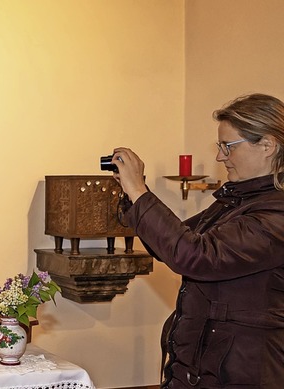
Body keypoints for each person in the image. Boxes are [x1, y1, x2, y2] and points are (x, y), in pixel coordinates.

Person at [111, 93, 284, 388]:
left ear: (267, 145)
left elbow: (197, 257)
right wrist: (134, 197)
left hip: (245, 369)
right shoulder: (236, 200)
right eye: (220, 147)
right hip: (205, 363)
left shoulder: (276, 211)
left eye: (228, 147)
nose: (220, 157)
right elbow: (171, 246)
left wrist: (141, 194)